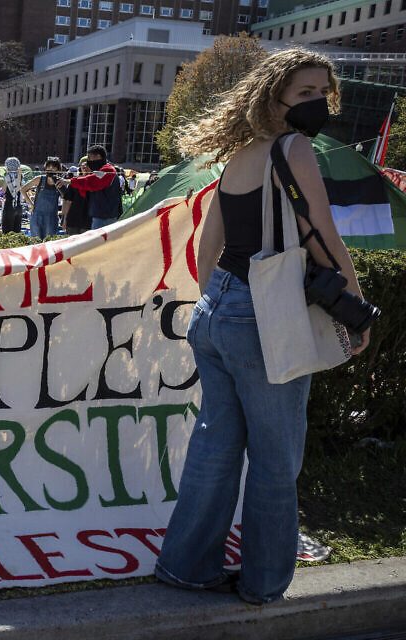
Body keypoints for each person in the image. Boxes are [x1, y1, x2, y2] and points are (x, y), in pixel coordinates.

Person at [154, 48, 370, 606]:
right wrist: (355, 304)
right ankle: (264, 583)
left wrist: (219, 303)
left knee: (216, 447)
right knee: (277, 460)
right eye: (305, 93)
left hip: (218, 309)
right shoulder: (296, 149)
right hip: (259, 315)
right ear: (273, 98)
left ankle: (185, 566)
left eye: (324, 91)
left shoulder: (236, 156)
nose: (318, 102)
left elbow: (208, 248)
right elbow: (321, 232)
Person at [67, 144, 121, 230]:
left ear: (98, 156)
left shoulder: (109, 170)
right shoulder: (99, 171)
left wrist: (70, 181)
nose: (88, 161)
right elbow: (85, 191)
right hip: (98, 215)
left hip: (106, 217)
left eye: (89, 158)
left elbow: (92, 182)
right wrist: (85, 174)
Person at [22, 156, 64, 238]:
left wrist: (63, 213)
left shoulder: (60, 182)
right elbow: (23, 189)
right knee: (36, 242)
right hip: (37, 216)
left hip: (52, 218)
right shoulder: (39, 179)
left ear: (58, 169)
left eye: (53, 167)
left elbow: (66, 198)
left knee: (49, 243)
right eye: (48, 166)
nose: (50, 169)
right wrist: (31, 204)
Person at [61, 163, 91, 235]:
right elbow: (67, 201)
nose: (85, 166)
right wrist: (64, 219)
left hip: (88, 221)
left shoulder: (95, 182)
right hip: (72, 220)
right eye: (83, 164)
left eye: (87, 164)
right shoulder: (74, 182)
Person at [0, 157, 25, 234]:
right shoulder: (20, 176)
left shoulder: (7, 176)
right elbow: (19, 188)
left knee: (7, 230)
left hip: (8, 206)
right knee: (17, 230)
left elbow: (3, 190)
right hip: (18, 206)